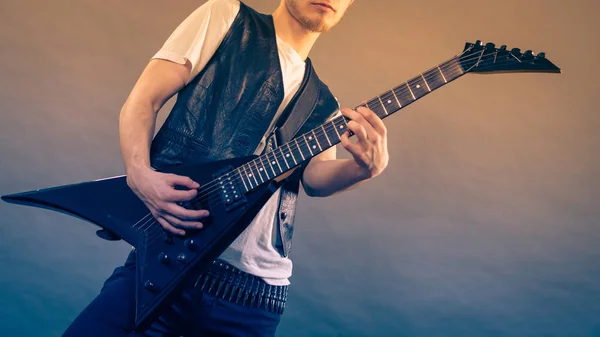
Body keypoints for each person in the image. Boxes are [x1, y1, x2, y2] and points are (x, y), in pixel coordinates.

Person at [63, 0, 389, 336]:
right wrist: (139, 174)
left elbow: (315, 179)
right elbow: (144, 100)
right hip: (166, 264)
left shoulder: (325, 102)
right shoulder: (227, 18)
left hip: (252, 297)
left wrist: (364, 169)